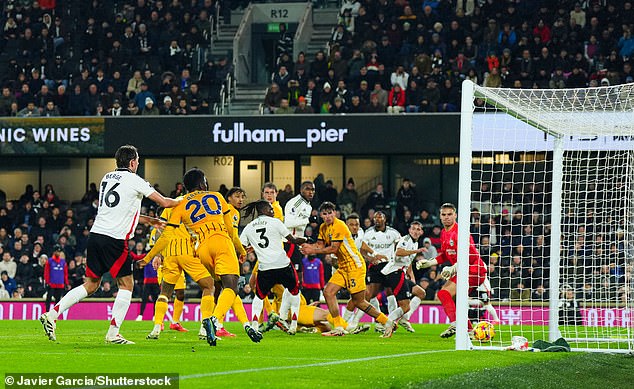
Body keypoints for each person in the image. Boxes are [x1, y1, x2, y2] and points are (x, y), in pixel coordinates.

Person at [40, 145, 180, 344]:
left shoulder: (107, 178)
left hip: (96, 235)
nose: (138, 164)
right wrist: (184, 200)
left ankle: (52, 314)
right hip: (114, 239)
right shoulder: (135, 180)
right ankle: (113, 333)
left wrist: (150, 220)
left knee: (91, 284)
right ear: (132, 162)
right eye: (137, 161)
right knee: (126, 284)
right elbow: (165, 202)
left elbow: (120, 211)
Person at [143, 168, 262, 346]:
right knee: (230, 286)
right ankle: (213, 320)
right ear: (201, 184)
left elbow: (165, 235)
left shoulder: (180, 204)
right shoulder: (217, 197)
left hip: (202, 249)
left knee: (205, 287)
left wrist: (149, 256)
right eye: (205, 181)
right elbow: (231, 232)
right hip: (218, 242)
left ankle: (163, 326)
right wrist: (241, 250)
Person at [301, 202, 395, 337]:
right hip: (343, 266)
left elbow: (334, 249)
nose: (327, 216)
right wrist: (306, 246)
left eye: (330, 213)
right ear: (321, 215)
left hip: (355, 266)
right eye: (324, 214)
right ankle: (338, 327)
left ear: (335, 213)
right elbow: (319, 245)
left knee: (359, 302)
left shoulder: (339, 225)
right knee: (328, 292)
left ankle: (387, 322)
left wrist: (312, 250)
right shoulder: (323, 227)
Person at [144, 192, 215, 341]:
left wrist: (157, 254)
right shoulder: (192, 207)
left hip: (170, 254)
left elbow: (159, 230)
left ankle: (156, 327)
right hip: (187, 253)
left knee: (165, 292)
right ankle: (204, 328)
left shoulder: (168, 209)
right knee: (209, 286)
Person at [417, 203, 488, 338]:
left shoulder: (460, 232)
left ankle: (456, 324)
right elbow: (444, 255)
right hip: (462, 270)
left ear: (455, 215)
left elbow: (471, 255)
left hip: (474, 269)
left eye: (450, 214)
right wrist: (429, 262)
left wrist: (454, 267)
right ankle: (469, 331)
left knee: (444, 293)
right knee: (453, 300)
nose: (446, 217)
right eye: (444, 215)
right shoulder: (444, 233)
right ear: (440, 216)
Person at [241, 200, 307, 335]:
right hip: (283, 265)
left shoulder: (248, 227)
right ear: (264, 210)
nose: (273, 211)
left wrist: (250, 249)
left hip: (265, 268)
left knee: (259, 297)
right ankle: (293, 325)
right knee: (295, 292)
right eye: (271, 209)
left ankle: (254, 325)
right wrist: (305, 240)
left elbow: (242, 246)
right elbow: (293, 240)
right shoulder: (276, 222)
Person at [351, 211, 401, 333]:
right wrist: (371, 258)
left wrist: (396, 260)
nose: (377, 220)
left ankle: (390, 321)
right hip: (375, 267)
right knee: (370, 294)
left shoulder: (393, 233)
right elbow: (362, 250)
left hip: (389, 266)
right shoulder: (368, 233)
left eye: (380, 218)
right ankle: (360, 322)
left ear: (385, 219)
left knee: (391, 293)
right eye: (375, 218)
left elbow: (400, 247)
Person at [212, 187, 251, 338]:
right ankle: (217, 324)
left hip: (211, 249)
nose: (240, 200)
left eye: (243, 196)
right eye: (237, 196)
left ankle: (212, 324)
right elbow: (233, 235)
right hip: (224, 251)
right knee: (230, 289)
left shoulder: (220, 209)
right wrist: (242, 251)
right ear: (228, 198)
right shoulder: (231, 211)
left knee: (217, 289)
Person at [283, 181, 315, 284]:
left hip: (297, 243)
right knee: (292, 277)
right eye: (308, 189)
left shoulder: (308, 205)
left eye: (312, 190)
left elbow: (299, 226)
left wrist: (304, 238)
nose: (310, 192)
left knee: (298, 278)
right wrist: (308, 220)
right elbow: (288, 223)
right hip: (289, 243)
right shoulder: (296, 203)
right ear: (301, 190)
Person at [44, 244, 68, 310]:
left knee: (58, 300)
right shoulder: (50, 261)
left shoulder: (63, 262)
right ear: (54, 252)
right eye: (57, 251)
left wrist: (66, 283)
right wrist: (47, 282)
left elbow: (65, 273)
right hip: (52, 284)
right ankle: (47, 312)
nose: (58, 253)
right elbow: (46, 272)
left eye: (59, 251)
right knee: (48, 299)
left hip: (60, 284)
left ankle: (54, 314)